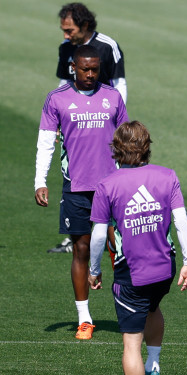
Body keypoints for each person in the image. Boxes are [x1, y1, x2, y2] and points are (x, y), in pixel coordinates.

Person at [87, 121, 187, 375]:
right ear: (147, 146)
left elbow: (98, 235)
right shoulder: (167, 176)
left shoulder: (107, 185)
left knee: (130, 342)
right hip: (165, 269)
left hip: (130, 274)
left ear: (116, 150)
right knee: (154, 307)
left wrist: (94, 270)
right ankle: (154, 364)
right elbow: (181, 222)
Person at [34, 44, 129, 339]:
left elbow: (127, 142)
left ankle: (128, 310)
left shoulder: (113, 97)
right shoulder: (57, 99)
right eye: (84, 69)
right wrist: (40, 180)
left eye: (95, 70)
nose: (90, 75)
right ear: (73, 67)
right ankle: (84, 318)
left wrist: (131, 178)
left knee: (122, 250)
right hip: (76, 187)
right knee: (81, 249)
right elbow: (47, 142)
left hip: (111, 187)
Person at [49, 2, 127, 254]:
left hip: (104, 123)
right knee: (73, 176)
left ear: (84, 25)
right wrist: (60, 118)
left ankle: (114, 241)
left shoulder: (107, 46)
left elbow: (119, 85)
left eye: (69, 30)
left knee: (107, 179)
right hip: (77, 123)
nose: (65, 35)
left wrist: (118, 126)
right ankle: (77, 237)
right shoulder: (66, 48)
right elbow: (64, 82)